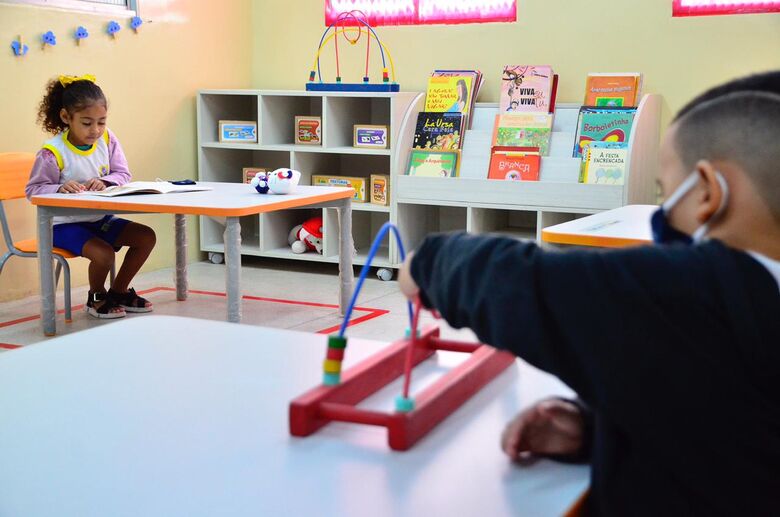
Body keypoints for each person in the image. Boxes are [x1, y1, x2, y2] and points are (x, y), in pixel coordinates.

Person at [398, 76, 780, 514]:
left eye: (665, 192)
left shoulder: (706, 290)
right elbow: (717, 419)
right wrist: (595, 427)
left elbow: (523, 284)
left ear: (710, 192)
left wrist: (425, 264)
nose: (664, 211)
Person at [26, 75, 156, 319]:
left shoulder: (107, 139)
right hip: (64, 225)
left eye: (101, 122)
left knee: (146, 237)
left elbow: (122, 173)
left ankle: (118, 291)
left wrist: (106, 181)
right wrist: (58, 188)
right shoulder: (52, 152)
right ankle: (96, 297)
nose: (95, 130)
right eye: (87, 123)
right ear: (66, 117)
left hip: (98, 220)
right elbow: (33, 190)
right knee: (104, 253)